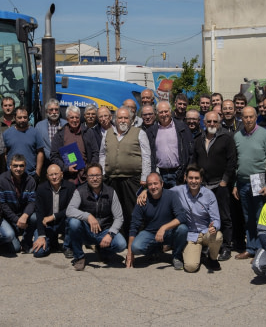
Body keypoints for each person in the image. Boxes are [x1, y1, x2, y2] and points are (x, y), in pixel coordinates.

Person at [99, 106, 152, 237]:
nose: (123, 120)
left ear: (131, 120)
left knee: (133, 209)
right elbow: (102, 154)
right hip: (112, 179)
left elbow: (146, 156)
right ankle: (119, 236)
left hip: (132, 179)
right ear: (115, 119)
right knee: (115, 209)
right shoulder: (107, 133)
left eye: (126, 118)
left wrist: (145, 177)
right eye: (120, 118)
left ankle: (136, 236)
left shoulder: (139, 133)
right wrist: (103, 173)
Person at [192, 111, 236, 261]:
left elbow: (231, 161)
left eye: (214, 122)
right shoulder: (198, 139)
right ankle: (208, 246)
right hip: (203, 186)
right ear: (204, 122)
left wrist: (225, 181)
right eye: (209, 122)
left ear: (219, 123)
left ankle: (226, 247)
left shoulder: (226, 138)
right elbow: (194, 160)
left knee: (224, 216)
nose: (211, 124)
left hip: (220, 184)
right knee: (205, 217)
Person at [66, 163, 127, 271]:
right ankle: (79, 257)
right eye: (91, 176)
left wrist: (110, 234)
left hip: (104, 231)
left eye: (97, 175)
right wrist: (88, 216)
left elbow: (119, 217)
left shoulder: (111, 192)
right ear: (87, 177)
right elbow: (69, 210)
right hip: (86, 231)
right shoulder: (80, 191)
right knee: (73, 222)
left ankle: (103, 250)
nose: (95, 179)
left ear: (102, 176)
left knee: (121, 244)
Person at [232, 107, 266, 260]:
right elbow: (236, 163)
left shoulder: (265, 135)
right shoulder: (237, 136)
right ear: (241, 118)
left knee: (259, 216)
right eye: (245, 117)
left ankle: (262, 249)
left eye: (251, 117)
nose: (248, 120)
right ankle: (250, 247)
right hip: (243, 181)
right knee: (247, 216)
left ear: (256, 117)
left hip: (259, 180)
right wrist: (235, 184)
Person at [125, 172, 187, 270]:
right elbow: (134, 225)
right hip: (150, 232)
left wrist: (164, 228)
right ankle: (154, 251)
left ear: (162, 184)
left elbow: (182, 217)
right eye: (150, 184)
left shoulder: (171, 195)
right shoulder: (142, 199)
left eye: (155, 183)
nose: (153, 187)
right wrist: (129, 253)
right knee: (136, 247)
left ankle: (177, 256)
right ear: (147, 186)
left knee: (183, 229)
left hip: (169, 232)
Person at [171, 165, 222, 272]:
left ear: (201, 179)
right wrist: (145, 191)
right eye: (191, 178)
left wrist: (215, 227)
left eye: (197, 178)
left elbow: (216, 219)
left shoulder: (209, 195)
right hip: (191, 235)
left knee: (217, 236)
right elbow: (161, 192)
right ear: (185, 178)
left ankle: (212, 259)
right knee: (190, 267)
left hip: (206, 232)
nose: (193, 181)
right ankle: (198, 251)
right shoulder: (178, 190)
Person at [146, 101, 193, 189]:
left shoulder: (182, 128)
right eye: (161, 112)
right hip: (160, 174)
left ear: (170, 111)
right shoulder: (151, 131)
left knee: (178, 201)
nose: (164, 114)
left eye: (166, 111)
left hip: (178, 173)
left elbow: (190, 152)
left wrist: (187, 172)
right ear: (157, 114)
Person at [0, 154, 37, 252]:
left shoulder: (30, 180)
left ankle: (26, 242)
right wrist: (16, 219)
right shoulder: (2, 179)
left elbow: (32, 201)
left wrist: (25, 215)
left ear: (25, 166)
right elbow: (2, 204)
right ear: (10, 166)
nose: (18, 168)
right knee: (15, 247)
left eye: (21, 166)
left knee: (35, 217)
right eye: (15, 166)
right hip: (7, 217)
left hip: (22, 216)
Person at [32, 165, 76, 258]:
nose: (54, 177)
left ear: (62, 174)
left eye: (56, 174)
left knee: (73, 220)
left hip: (63, 223)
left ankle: (67, 246)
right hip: (47, 225)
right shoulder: (41, 188)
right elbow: (39, 212)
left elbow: (72, 209)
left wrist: (54, 216)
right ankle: (51, 241)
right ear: (47, 176)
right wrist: (41, 236)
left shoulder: (70, 187)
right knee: (38, 253)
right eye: (51, 175)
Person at [50, 105, 95, 185]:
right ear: (67, 119)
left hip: (85, 178)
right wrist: (66, 168)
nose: (75, 120)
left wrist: (90, 168)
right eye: (72, 117)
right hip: (68, 179)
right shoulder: (60, 134)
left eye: (77, 117)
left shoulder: (88, 132)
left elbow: (95, 153)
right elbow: (54, 155)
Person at [3, 106, 45, 180]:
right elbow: (5, 154)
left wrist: (38, 173)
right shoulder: (7, 133)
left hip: (30, 175)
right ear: (14, 118)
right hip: (12, 175)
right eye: (20, 117)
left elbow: (40, 153)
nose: (23, 120)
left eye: (25, 117)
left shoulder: (35, 133)